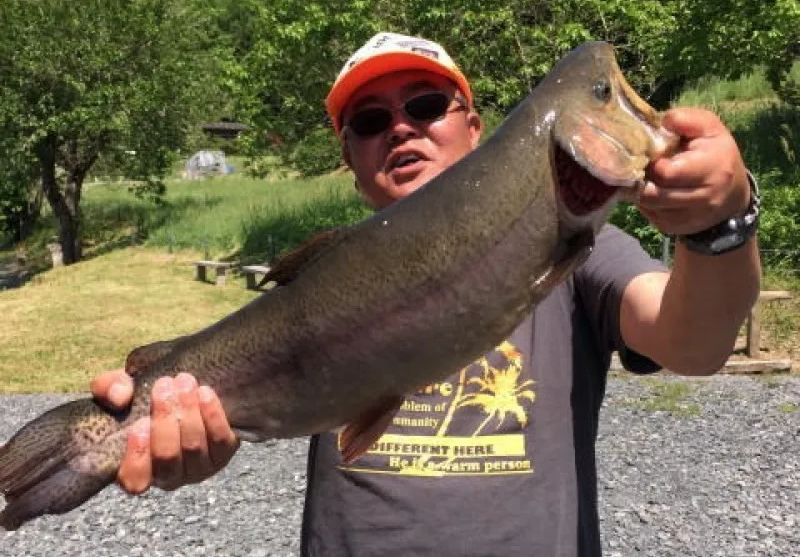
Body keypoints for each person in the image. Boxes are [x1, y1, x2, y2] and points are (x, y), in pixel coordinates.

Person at [91, 33, 761, 556]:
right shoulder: (328, 273)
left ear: (474, 127)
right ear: (350, 159)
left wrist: (720, 225)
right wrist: (178, 424)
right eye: (370, 119)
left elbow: (693, 341)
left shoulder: (573, 246)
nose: (401, 127)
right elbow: (236, 398)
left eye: (425, 105)